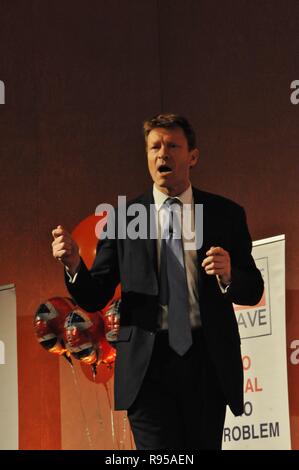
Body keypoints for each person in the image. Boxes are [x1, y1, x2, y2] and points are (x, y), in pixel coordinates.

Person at [52, 113, 264, 450]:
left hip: (206, 364)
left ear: (192, 156)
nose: (162, 153)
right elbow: (94, 296)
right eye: (154, 147)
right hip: (148, 368)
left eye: (172, 145)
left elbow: (253, 288)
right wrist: (75, 264)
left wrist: (229, 274)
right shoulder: (123, 218)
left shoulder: (226, 214)